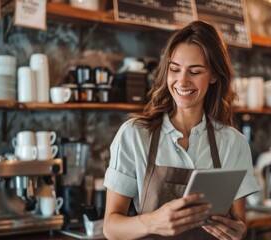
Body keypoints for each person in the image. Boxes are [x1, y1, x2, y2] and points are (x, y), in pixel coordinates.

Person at [103, 20, 260, 240]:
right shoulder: (134, 134)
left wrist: (238, 231)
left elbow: (238, 223)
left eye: (195, 71)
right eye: (174, 69)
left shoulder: (234, 142)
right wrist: (153, 222)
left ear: (214, 75)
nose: (182, 81)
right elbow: (110, 227)